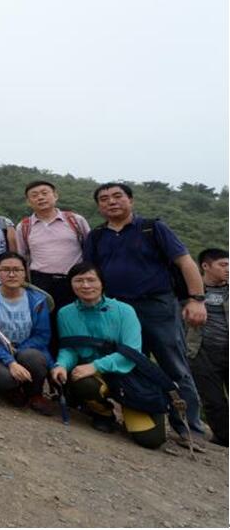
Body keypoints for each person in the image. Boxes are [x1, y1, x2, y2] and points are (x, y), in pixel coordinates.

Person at [83, 182, 209, 443]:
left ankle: (189, 428)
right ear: (98, 206)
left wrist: (196, 299)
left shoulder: (152, 227)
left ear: (131, 200)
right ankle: (145, 420)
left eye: (117, 196)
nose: (111, 202)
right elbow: (89, 272)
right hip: (117, 309)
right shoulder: (96, 236)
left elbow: (185, 262)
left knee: (173, 364)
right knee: (127, 363)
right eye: (104, 199)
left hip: (156, 306)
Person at [50, 262, 166, 449]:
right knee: (81, 381)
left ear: (102, 283)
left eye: (91, 280)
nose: (85, 285)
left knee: (151, 439)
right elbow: (69, 348)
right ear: (71, 284)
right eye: (79, 280)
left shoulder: (124, 311)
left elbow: (131, 352)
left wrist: (95, 366)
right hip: (94, 375)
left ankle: (130, 409)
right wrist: (61, 365)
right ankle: (103, 413)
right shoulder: (65, 313)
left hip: (129, 375)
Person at [15, 180, 91, 353]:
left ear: (55, 196)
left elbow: (89, 249)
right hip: (41, 282)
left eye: (45, 193)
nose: (40, 198)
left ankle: (79, 360)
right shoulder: (24, 226)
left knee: (76, 321)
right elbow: (22, 257)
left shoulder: (75, 220)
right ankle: (52, 362)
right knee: (46, 324)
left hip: (73, 280)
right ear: (28, 201)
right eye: (34, 195)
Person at [0, 252, 54, 414]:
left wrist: (17, 351)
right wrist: (10, 361)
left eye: (17, 270)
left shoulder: (38, 300)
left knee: (35, 358)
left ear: (25, 273)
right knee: (4, 378)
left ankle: (35, 393)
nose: (11, 274)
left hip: (26, 349)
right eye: (5, 270)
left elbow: (42, 336)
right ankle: (13, 389)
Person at [188, 248, 228, 446]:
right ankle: (224, 439)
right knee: (213, 401)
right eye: (223, 265)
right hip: (201, 352)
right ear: (205, 266)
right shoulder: (190, 292)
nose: (228, 269)